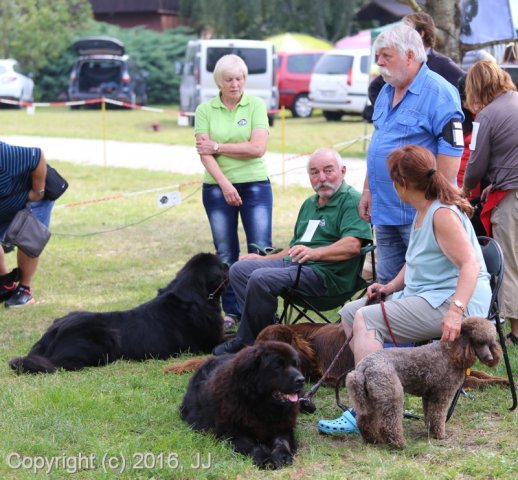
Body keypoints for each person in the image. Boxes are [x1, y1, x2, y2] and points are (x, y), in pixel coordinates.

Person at [318, 144, 492, 435]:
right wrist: (390, 286)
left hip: (456, 300)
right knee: (351, 312)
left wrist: (455, 312)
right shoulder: (423, 209)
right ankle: (384, 389)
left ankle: (371, 410)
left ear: (401, 183)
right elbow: (415, 261)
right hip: (430, 294)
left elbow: (471, 266)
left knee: (368, 319)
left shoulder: (441, 214)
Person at [212, 148, 372, 355]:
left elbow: (352, 245)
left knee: (261, 278)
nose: (321, 178)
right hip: (296, 266)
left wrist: (316, 254)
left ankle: (247, 341)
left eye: (328, 170)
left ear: (343, 171)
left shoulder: (351, 200)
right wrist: (266, 258)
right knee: (240, 268)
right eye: (314, 172)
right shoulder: (309, 203)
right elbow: (295, 246)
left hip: (326, 277)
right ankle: (268, 334)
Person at [359, 24, 464, 285]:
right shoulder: (385, 90)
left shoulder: (440, 92)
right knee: (386, 286)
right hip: (385, 211)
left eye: (386, 56)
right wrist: (367, 190)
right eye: (377, 57)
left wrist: (433, 204)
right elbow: (379, 142)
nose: (380, 63)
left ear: (410, 55)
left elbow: (452, 150)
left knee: (424, 283)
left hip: (420, 212)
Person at [194, 54, 272, 329]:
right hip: (217, 187)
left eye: (239, 79)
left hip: (256, 185)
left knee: (260, 250)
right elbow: (204, 155)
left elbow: (257, 149)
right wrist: (225, 184)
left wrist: (218, 147)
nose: (235, 84)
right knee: (225, 252)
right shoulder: (205, 110)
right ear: (219, 81)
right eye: (229, 79)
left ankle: (262, 313)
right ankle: (232, 311)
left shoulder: (256, 106)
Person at [463, 60, 518, 347]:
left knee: (510, 262)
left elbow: (475, 166)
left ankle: (517, 334)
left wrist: (464, 191)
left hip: (513, 198)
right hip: (507, 187)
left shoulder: (487, 115)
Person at [367, 11, 465, 106]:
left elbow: (468, 86)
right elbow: (374, 88)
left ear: (421, 33)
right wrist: (390, 114)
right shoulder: (400, 61)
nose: (401, 34)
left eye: (407, 30)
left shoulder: (442, 63)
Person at [0, 141, 54, 308]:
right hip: (7, 201)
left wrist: (37, 192)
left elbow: (37, 156)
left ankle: (25, 290)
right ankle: (5, 284)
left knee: (29, 239)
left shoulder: (5, 157)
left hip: (34, 196)